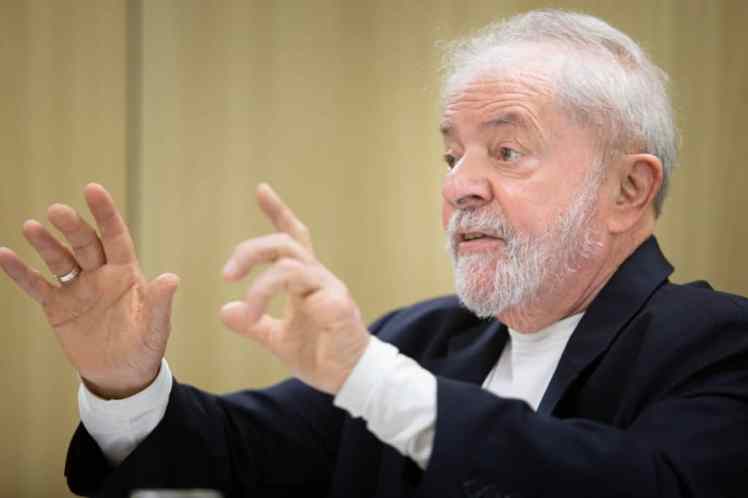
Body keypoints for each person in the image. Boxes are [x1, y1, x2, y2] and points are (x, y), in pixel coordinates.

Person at [2, 9, 747, 498]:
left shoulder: (721, 346)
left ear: (627, 189)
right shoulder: (417, 338)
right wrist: (123, 381)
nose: (458, 186)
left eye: (506, 151)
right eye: (452, 156)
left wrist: (373, 380)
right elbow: (234, 457)